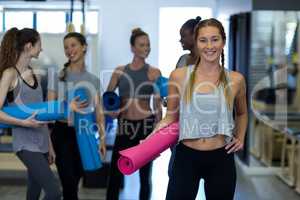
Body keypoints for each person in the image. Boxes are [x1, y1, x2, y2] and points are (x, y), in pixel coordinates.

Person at [154, 18, 248, 200]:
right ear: (196, 43)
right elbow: (170, 117)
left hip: (222, 157)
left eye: (215, 39)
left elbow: (242, 113)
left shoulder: (236, 79)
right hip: (186, 156)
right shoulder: (179, 76)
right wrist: (154, 135)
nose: (209, 46)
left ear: (223, 42)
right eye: (203, 40)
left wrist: (241, 136)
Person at [0, 28, 62, 200]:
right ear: (28, 46)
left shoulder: (33, 72)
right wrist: (23, 123)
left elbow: (42, 114)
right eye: (39, 44)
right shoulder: (10, 74)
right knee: (54, 192)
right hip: (25, 145)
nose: (41, 49)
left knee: (33, 193)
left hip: (41, 141)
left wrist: (49, 146)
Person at [47, 32, 106, 200]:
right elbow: (49, 109)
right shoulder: (58, 76)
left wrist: (101, 139)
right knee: (69, 182)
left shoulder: (93, 80)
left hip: (85, 133)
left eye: (73, 45)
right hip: (62, 133)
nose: (69, 50)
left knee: (77, 178)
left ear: (84, 47)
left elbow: (99, 113)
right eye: (66, 47)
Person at [106, 28, 162, 200]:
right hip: (125, 126)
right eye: (142, 44)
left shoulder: (154, 72)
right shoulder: (120, 71)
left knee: (145, 175)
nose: (146, 48)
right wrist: (112, 110)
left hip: (146, 125)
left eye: (148, 45)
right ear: (132, 48)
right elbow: (108, 98)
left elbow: (157, 105)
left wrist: (158, 131)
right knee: (116, 172)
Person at [167, 16, 202, 177]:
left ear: (194, 36)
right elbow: (174, 90)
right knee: (175, 173)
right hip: (178, 127)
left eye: (183, 36)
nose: (180, 39)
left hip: (200, 129)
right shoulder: (182, 60)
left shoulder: (208, 62)